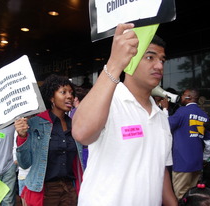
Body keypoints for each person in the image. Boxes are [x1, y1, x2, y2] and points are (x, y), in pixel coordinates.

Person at [72, 23, 177, 205]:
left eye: (162, 59)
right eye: (150, 57)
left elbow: (160, 170)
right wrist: (114, 63)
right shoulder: (108, 100)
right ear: (131, 59)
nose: (159, 65)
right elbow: (81, 133)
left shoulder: (161, 117)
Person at [15, 74, 83, 206]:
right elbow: (24, 163)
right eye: (63, 92)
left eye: (71, 92)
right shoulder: (35, 124)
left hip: (70, 189)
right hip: (45, 191)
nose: (69, 96)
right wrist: (22, 137)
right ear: (51, 98)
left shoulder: (75, 125)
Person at [169, 88, 210, 200]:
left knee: (180, 195)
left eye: (183, 95)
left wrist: (164, 109)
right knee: (193, 196)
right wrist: (205, 157)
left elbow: (165, 126)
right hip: (197, 163)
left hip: (182, 162)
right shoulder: (204, 115)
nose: (181, 97)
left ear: (188, 97)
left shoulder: (182, 111)